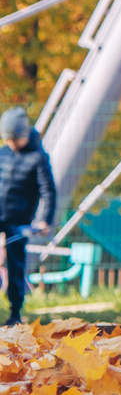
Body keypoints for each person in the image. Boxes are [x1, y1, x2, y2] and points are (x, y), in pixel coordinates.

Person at [1, 107, 57, 327]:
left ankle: (15, 311)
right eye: (7, 140)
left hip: (20, 219)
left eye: (15, 139)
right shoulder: (2, 153)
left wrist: (45, 219)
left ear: (24, 134)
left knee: (16, 263)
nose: (11, 144)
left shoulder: (38, 158)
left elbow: (48, 191)